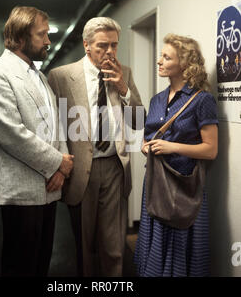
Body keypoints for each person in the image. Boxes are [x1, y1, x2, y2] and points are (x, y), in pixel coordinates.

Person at [0, 6, 74, 277]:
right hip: (22, 193)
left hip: (50, 188)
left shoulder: (39, 76)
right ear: (19, 38)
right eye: (41, 35)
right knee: (20, 267)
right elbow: (10, 133)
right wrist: (57, 163)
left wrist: (63, 167)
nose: (48, 41)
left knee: (40, 264)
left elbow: (56, 124)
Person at [48, 17, 143, 276]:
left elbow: (138, 121)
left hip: (114, 166)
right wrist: (57, 165)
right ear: (86, 45)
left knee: (114, 247)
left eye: (114, 45)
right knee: (84, 247)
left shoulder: (125, 72)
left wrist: (123, 88)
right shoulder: (61, 77)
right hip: (79, 169)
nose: (110, 52)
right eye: (103, 45)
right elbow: (51, 127)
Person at [134, 33, 218, 277]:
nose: (159, 61)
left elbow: (211, 150)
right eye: (161, 56)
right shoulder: (157, 100)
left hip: (183, 186)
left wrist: (173, 147)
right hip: (156, 183)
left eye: (166, 57)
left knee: (181, 251)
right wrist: (146, 146)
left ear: (184, 64)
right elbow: (149, 136)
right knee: (154, 245)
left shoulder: (202, 100)